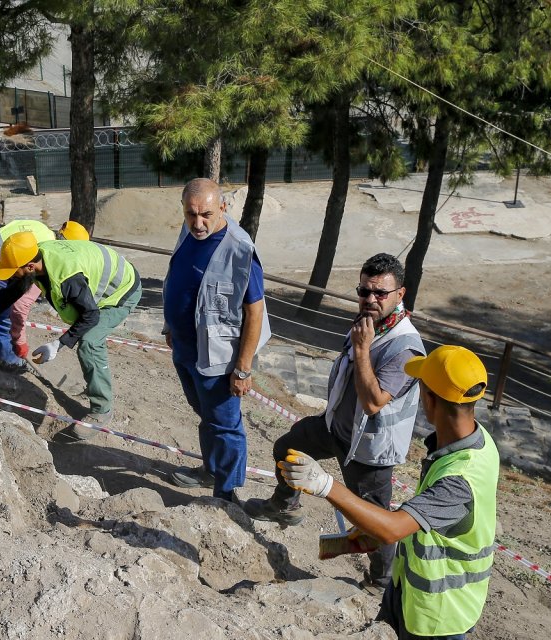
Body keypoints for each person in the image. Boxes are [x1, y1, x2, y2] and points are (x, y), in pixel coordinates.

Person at [276, 345, 499, 639]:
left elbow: (393, 530)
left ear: (429, 400)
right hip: (409, 591)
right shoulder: (477, 442)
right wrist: (369, 531)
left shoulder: (459, 479)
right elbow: (431, 522)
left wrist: (325, 485)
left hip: (436, 616)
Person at [244, 252, 425, 591]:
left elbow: (373, 403)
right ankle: (285, 506)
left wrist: (361, 350)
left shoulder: (406, 347)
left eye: (380, 293)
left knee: (373, 519)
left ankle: (381, 582)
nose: (370, 299)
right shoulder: (369, 323)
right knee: (288, 447)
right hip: (336, 429)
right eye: (364, 291)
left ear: (400, 294)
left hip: (369, 449)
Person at [162, 179, 270, 503]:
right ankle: (210, 470)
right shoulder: (189, 231)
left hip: (217, 358)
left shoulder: (240, 249)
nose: (198, 223)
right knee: (206, 415)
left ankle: (227, 494)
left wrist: (243, 369)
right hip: (184, 348)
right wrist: (170, 325)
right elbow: (178, 278)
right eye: (191, 214)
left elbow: (255, 311)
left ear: (222, 207)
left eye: (206, 214)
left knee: (225, 425)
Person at [0, 232, 141, 439]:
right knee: (84, 331)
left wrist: (58, 344)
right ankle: (94, 381)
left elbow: (90, 315)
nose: (12, 274)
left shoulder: (66, 277)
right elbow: (14, 290)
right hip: (98, 286)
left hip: (121, 291)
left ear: (29, 267)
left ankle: (102, 409)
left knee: (89, 343)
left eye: (14, 270)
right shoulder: (37, 258)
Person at [0, 220, 90, 373]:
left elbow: (14, 292)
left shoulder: (41, 229)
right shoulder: (42, 261)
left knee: (5, 313)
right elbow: (20, 305)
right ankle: (12, 366)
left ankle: (11, 360)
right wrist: (20, 342)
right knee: (5, 321)